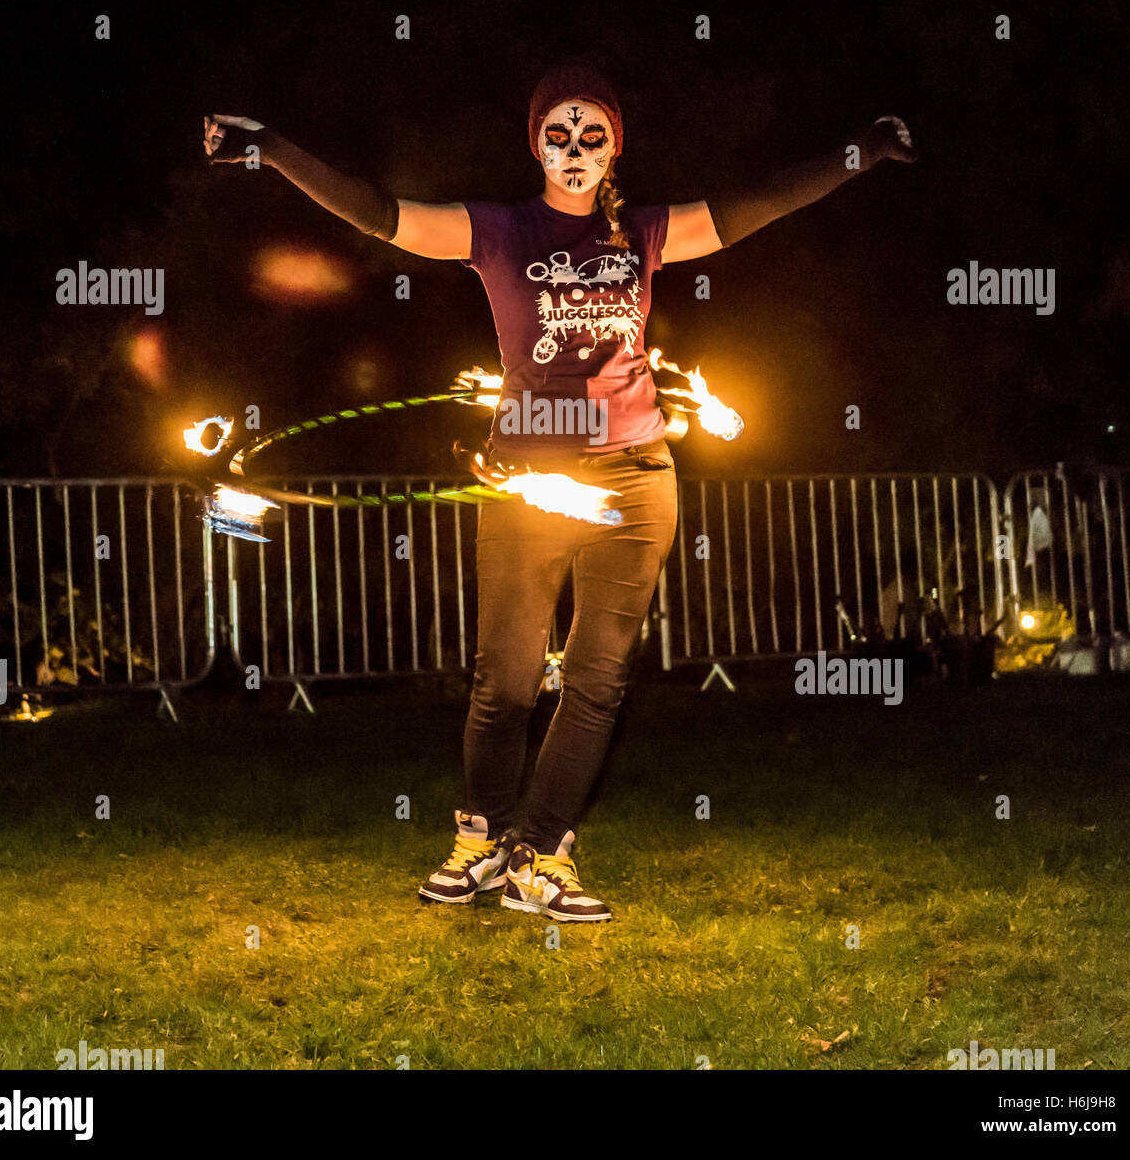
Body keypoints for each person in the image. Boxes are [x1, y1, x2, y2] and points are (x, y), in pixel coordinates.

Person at [204, 57, 916, 922]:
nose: (575, 149)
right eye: (559, 133)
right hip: (527, 479)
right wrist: (271, 148)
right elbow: (378, 214)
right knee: (504, 682)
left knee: (596, 680)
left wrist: (862, 151)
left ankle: (543, 855)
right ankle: (482, 842)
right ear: (535, 145)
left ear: (616, 148)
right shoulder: (497, 232)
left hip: (636, 479)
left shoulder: (645, 234)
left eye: (593, 134)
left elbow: (762, 203)